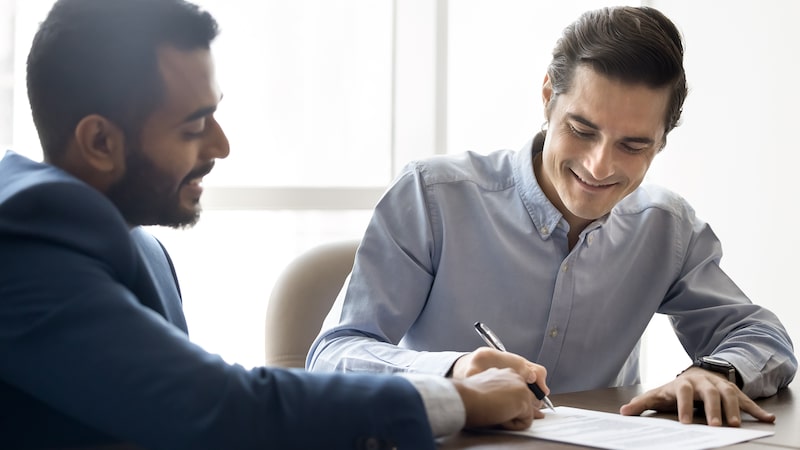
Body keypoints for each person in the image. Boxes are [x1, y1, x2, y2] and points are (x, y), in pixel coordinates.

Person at [0, 0, 541, 449]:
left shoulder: (128, 237)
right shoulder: (27, 240)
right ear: (100, 143)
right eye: (194, 126)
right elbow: (215, 407)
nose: (222, 145)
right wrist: (459, 398)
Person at [307, 5, 797, 429]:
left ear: (663, 140)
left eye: (634, 145)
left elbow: (763, 337)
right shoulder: (433, 197)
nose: (599, 166)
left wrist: (718, 371)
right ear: (547, 97)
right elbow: (332, 357)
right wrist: (453, 374)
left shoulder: (667, 228)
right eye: (581, 130)